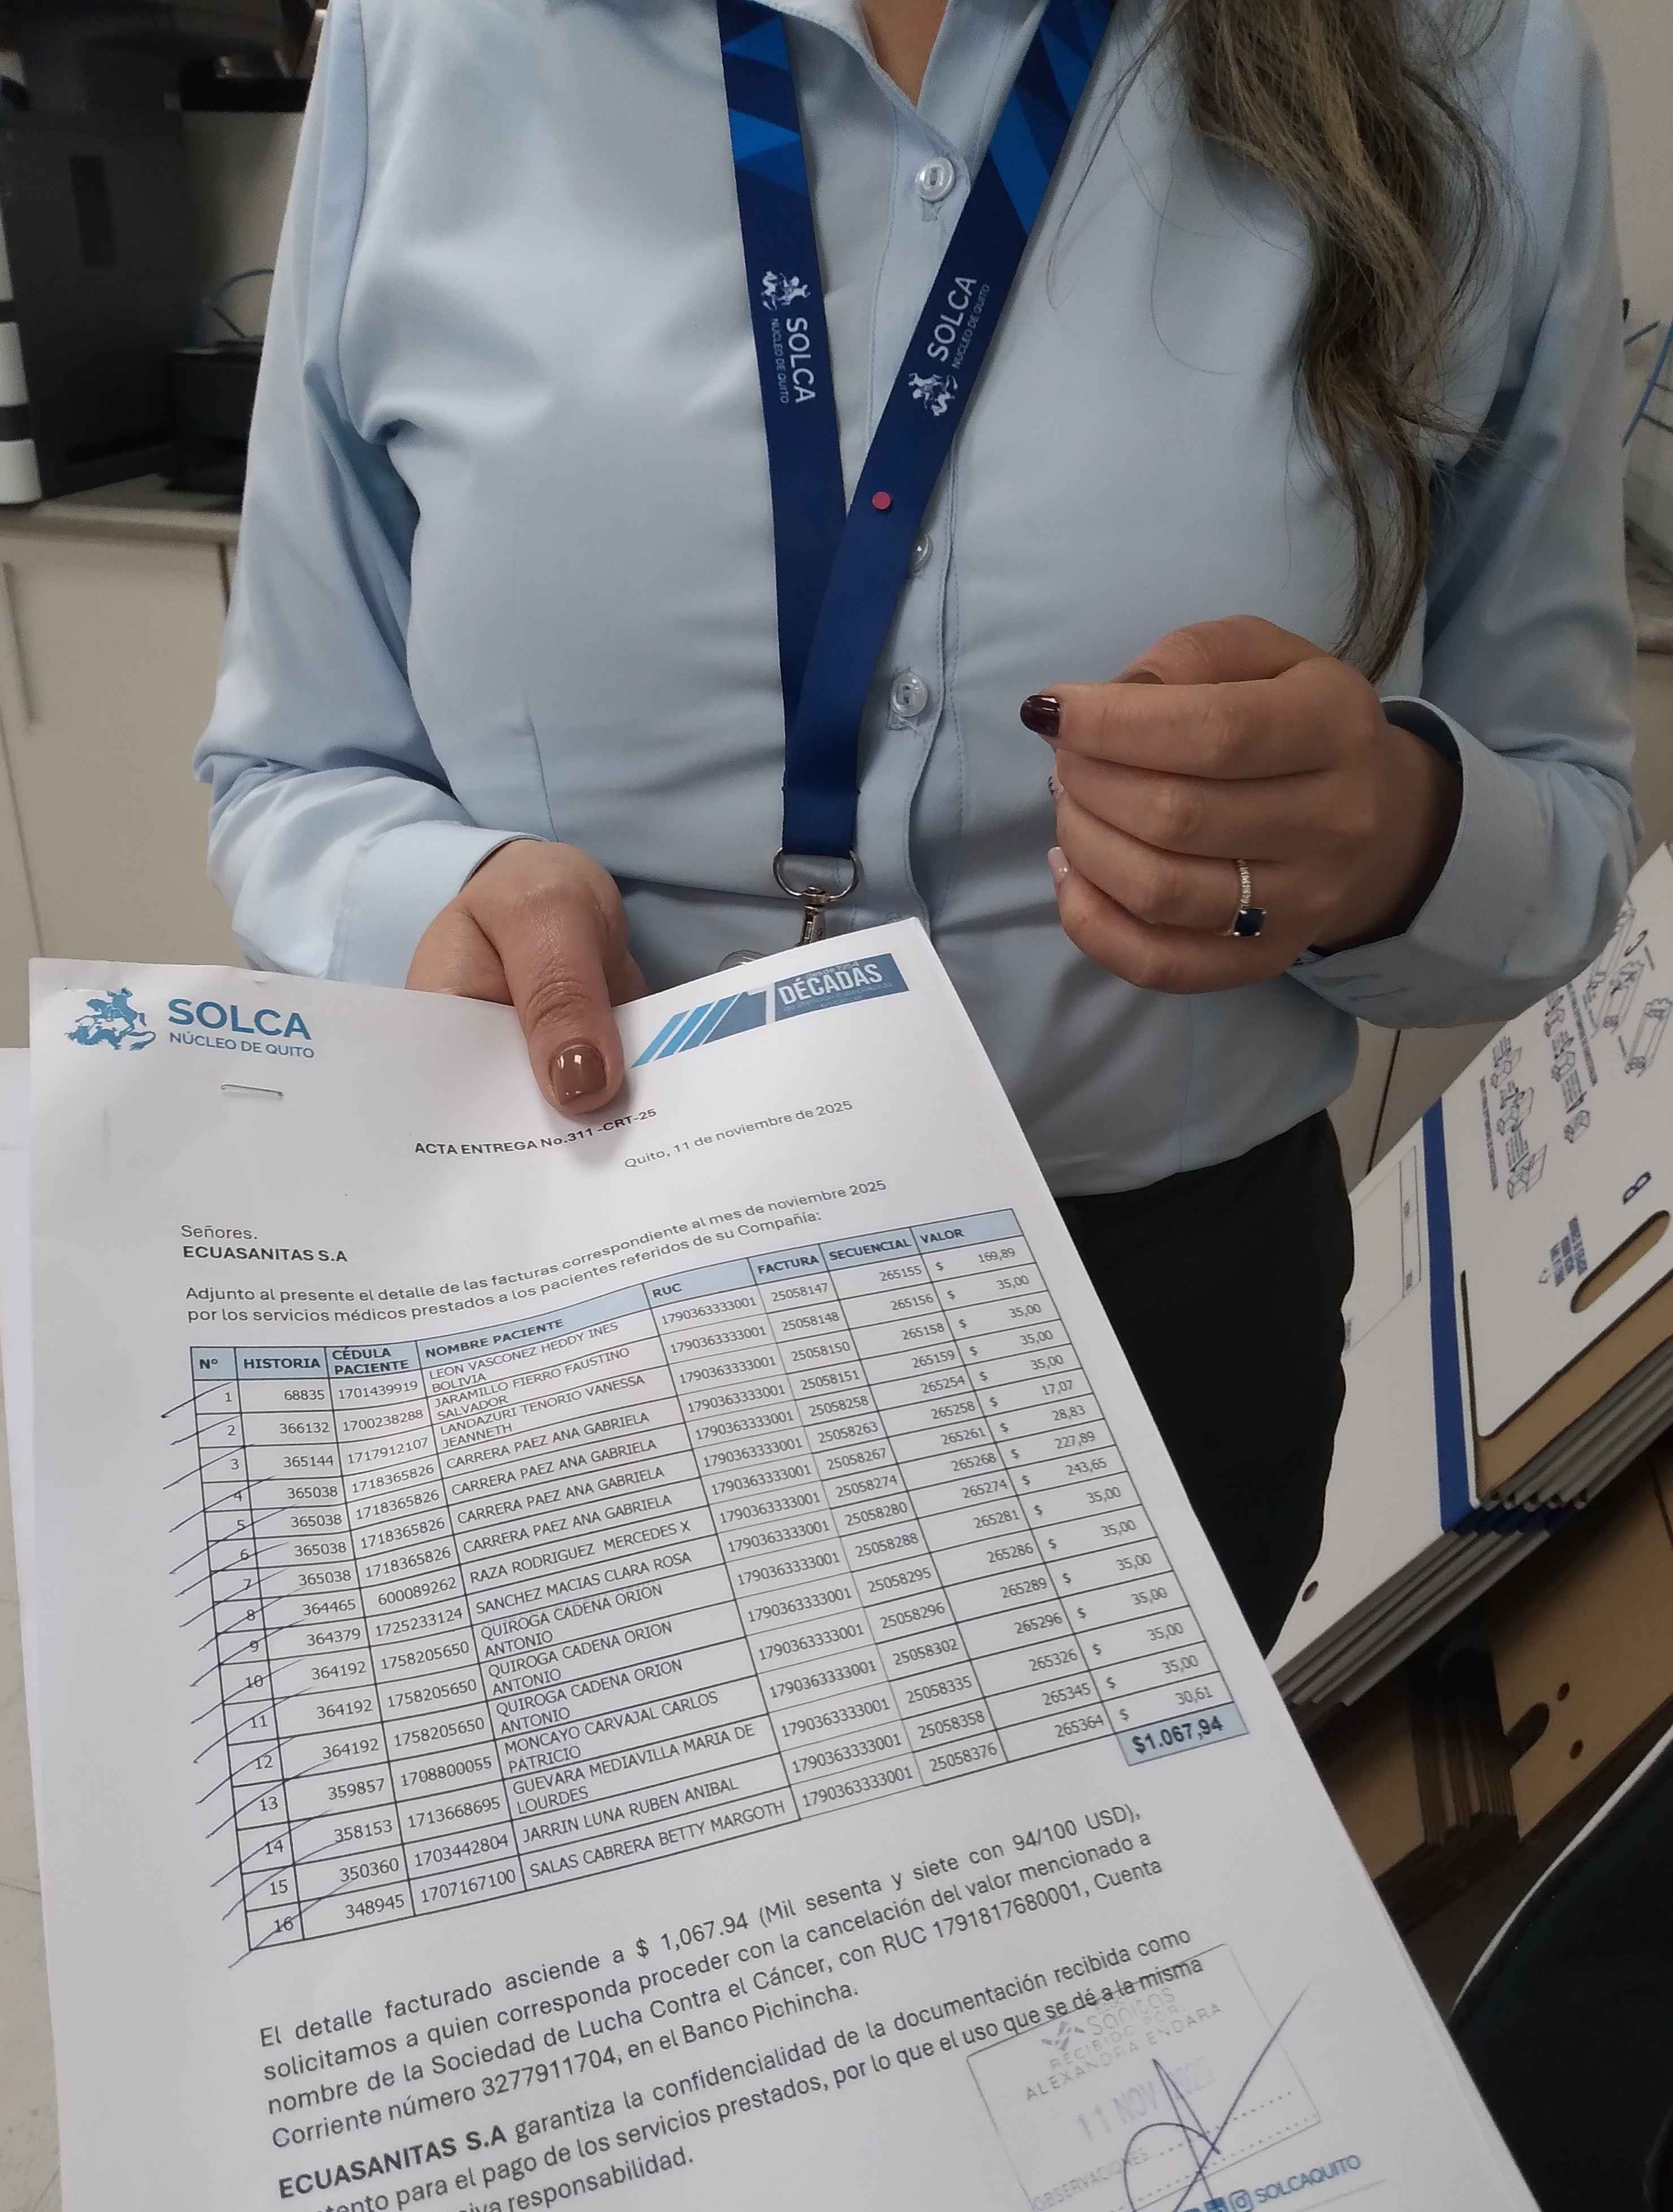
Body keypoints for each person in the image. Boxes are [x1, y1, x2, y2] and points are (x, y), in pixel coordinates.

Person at [197, 0, 1636, 1652]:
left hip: (1162, 1352)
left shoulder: (1477, 55)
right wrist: (448, 900)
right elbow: (292, 769)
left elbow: (1571, 809)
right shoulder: (427, 43)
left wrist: (1389, 844)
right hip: (564, 1288)